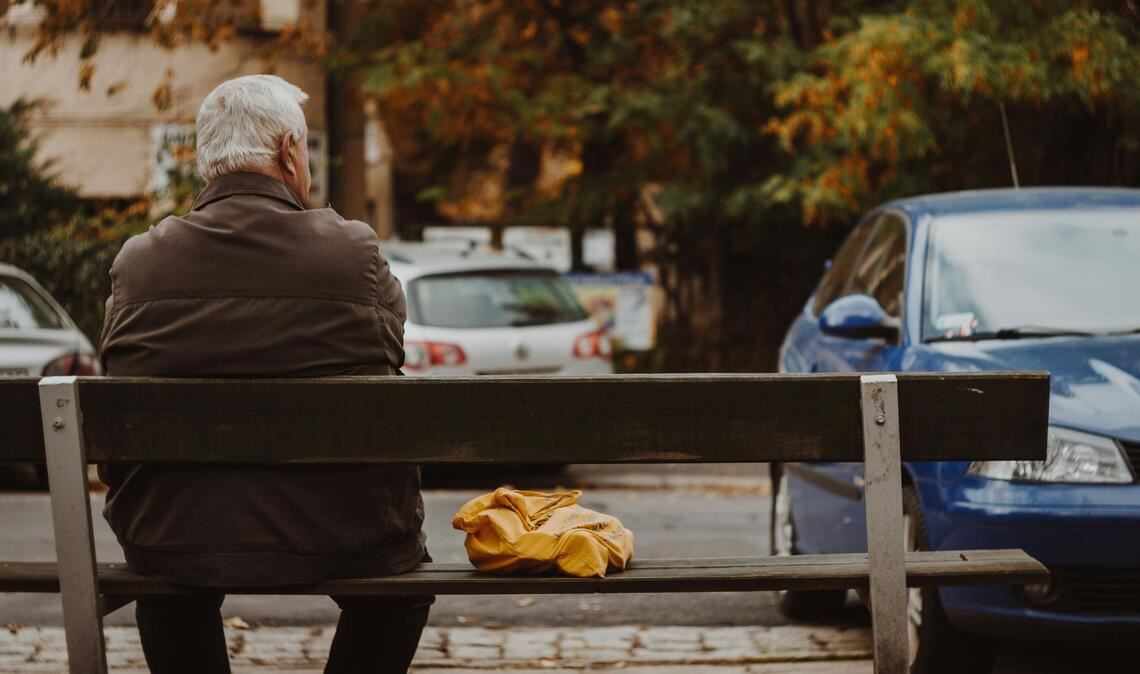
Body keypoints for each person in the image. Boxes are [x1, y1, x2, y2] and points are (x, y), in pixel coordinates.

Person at [99, 75, 431, 674]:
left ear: (207, 162)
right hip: (342, 531)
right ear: (287, 152)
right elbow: (388, 354)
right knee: (397, 591)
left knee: (167, 589)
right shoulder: (353, 254)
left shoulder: (139, 263)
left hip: (175, 536)